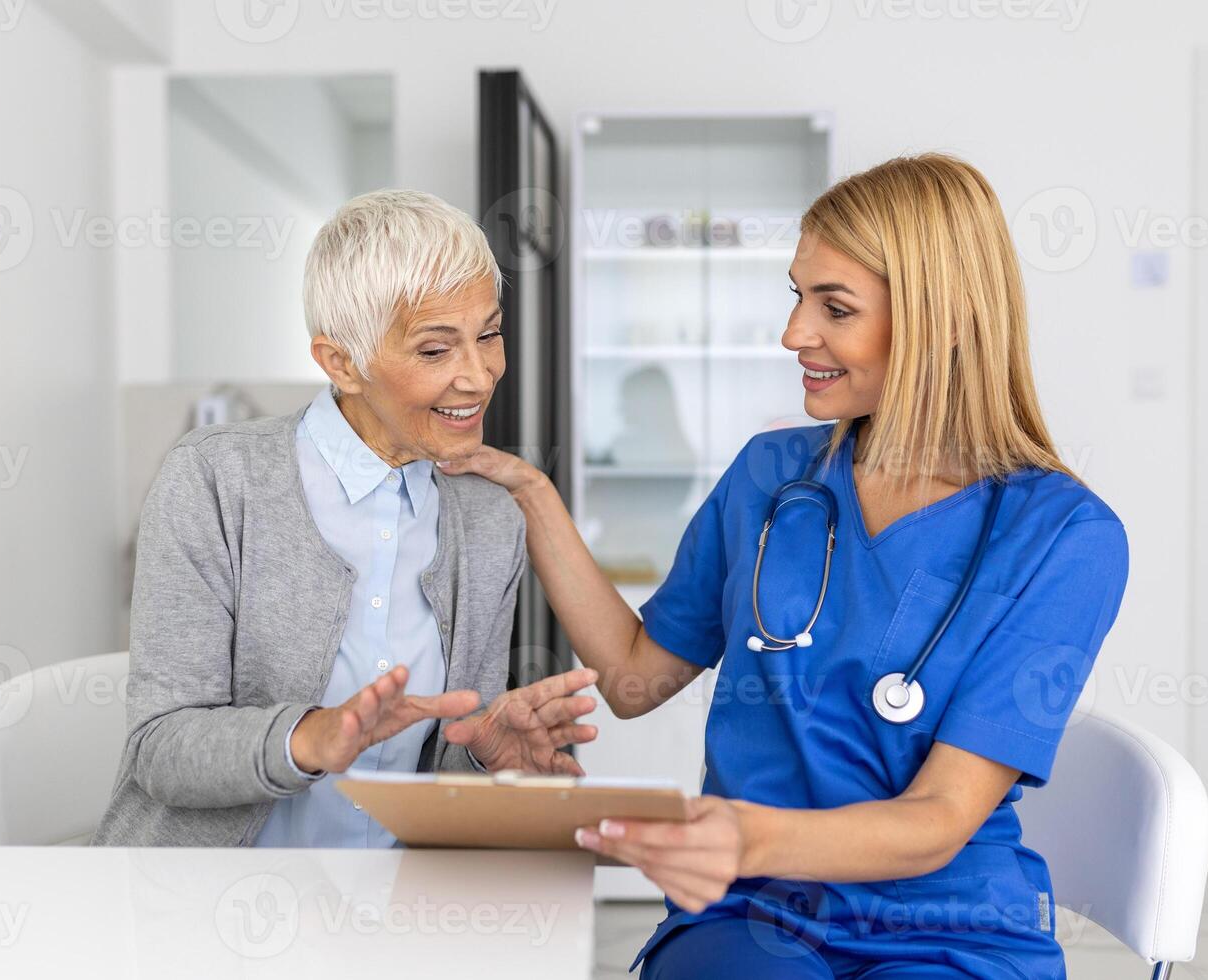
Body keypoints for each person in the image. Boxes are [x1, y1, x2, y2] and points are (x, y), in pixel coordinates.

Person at [440, 155, 1129, 978]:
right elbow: (632, 681)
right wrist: (533, 495)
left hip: (949, 926)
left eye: (834, 307)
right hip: (754, 912)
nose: (795, 333)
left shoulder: (1063, 534)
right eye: (797, 296)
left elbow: (942, 817)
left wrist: (742, 833)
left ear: (945, 319)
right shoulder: (769, 476)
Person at [92, 190, 597, 848]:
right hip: (198, 914)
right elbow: (160, 750)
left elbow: (443, 773)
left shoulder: (488, 518)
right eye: (435, 351)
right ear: (341, 364)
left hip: (386, 912)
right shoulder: (215, 480)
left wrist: (480, 755)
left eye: (489, 335)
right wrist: (313, 737)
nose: (478, 377)